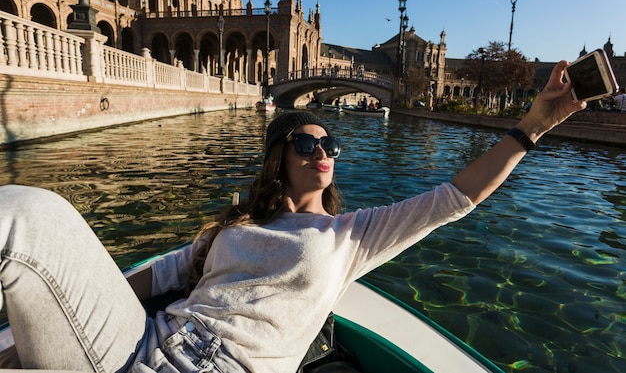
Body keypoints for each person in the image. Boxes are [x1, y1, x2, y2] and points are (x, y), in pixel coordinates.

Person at [0, 61, 586, 373]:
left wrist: (531, 128)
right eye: (307, 145)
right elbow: (156, 277)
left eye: (331, 146)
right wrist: (31, 332)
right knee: (30, 212)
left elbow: (455, 197)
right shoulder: (233, 228)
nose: (323, 153)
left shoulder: (348, 237)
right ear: (277, 160)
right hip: (136, 343)